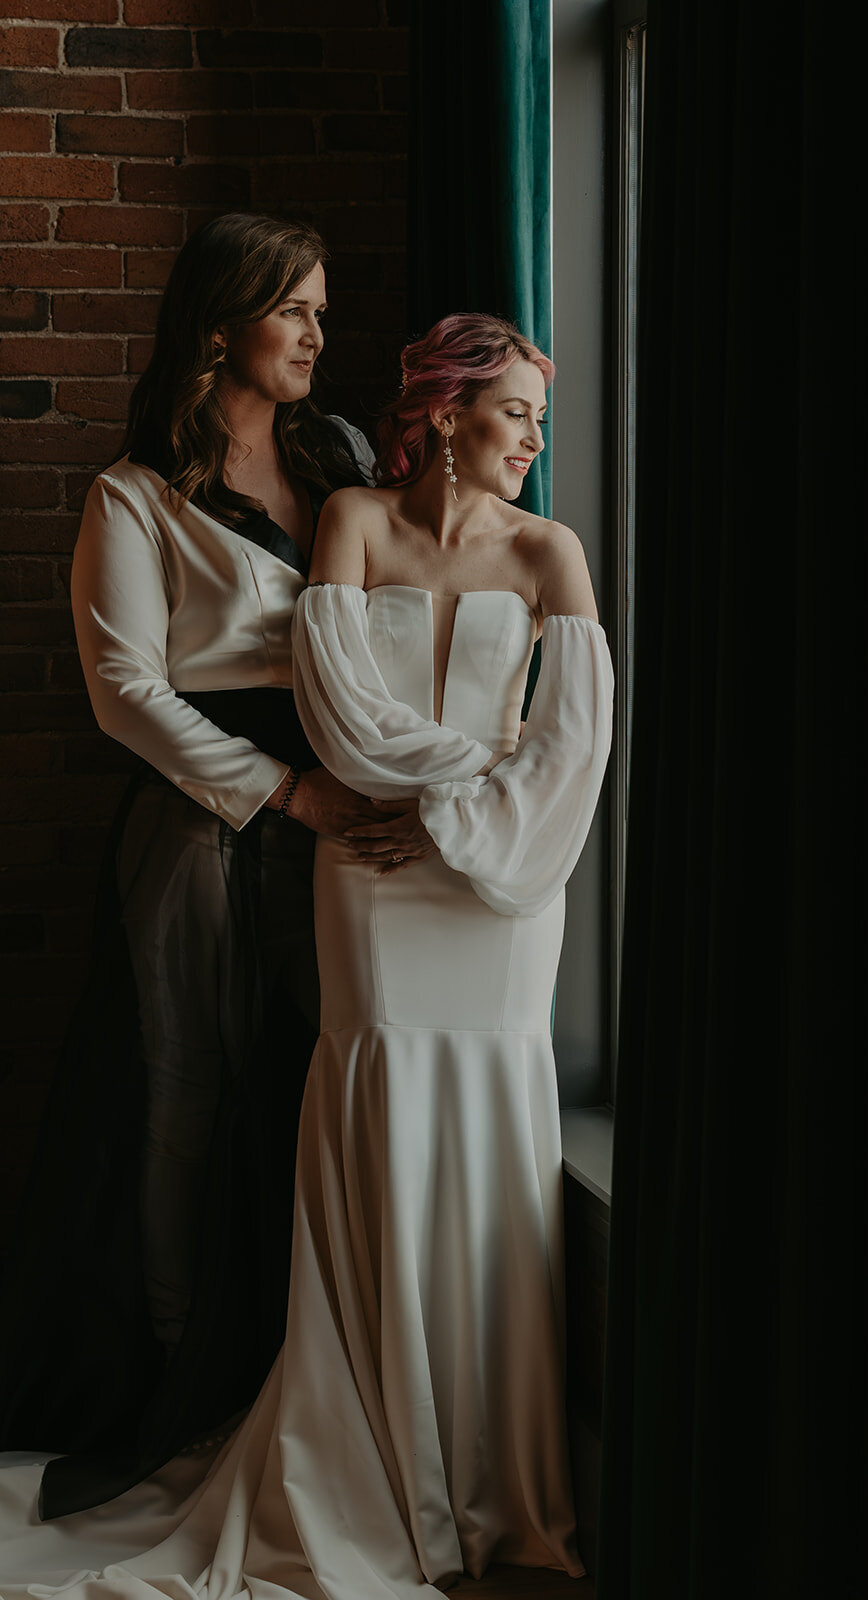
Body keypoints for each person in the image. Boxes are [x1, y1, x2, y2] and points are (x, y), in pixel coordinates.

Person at [0, 313, 612, 1598]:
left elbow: (571, 752)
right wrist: (469, 781)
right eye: (515, 416)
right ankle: (379, 1461)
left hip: (500, 896)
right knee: (374, 1111)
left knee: (493, 1138)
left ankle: (496, 1481)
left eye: (539, 422)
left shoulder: (553, 553)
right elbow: (340, 719)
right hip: (374, 886)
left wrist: (460, 812)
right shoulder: (354, 525)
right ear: (444, 417)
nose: (533, 444)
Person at [0, 212, 409, 1519]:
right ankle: (173, 1377)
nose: (315, 337)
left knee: (318, 1079)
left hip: (349, 818)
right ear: (224, 319)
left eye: (322, 315)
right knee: (187, 1094)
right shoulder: (136, 495)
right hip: (205, 822)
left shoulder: (339, 459)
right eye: (295, 310)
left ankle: (305, 1371)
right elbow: (123, 692)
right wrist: (281, 790)